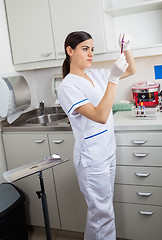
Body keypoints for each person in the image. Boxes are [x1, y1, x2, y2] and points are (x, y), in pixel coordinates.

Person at [58, 31, 136, 240]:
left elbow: (131, 69)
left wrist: (125, 47)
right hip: (92, 159)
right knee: (102, 215)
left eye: (92, 49)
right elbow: (100, 116)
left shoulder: (94, 75)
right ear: (70, 51)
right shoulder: (68, 86)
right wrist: (113, 78)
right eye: (85, 49)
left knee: (100, 212)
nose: (91, 53)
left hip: (108, 152)